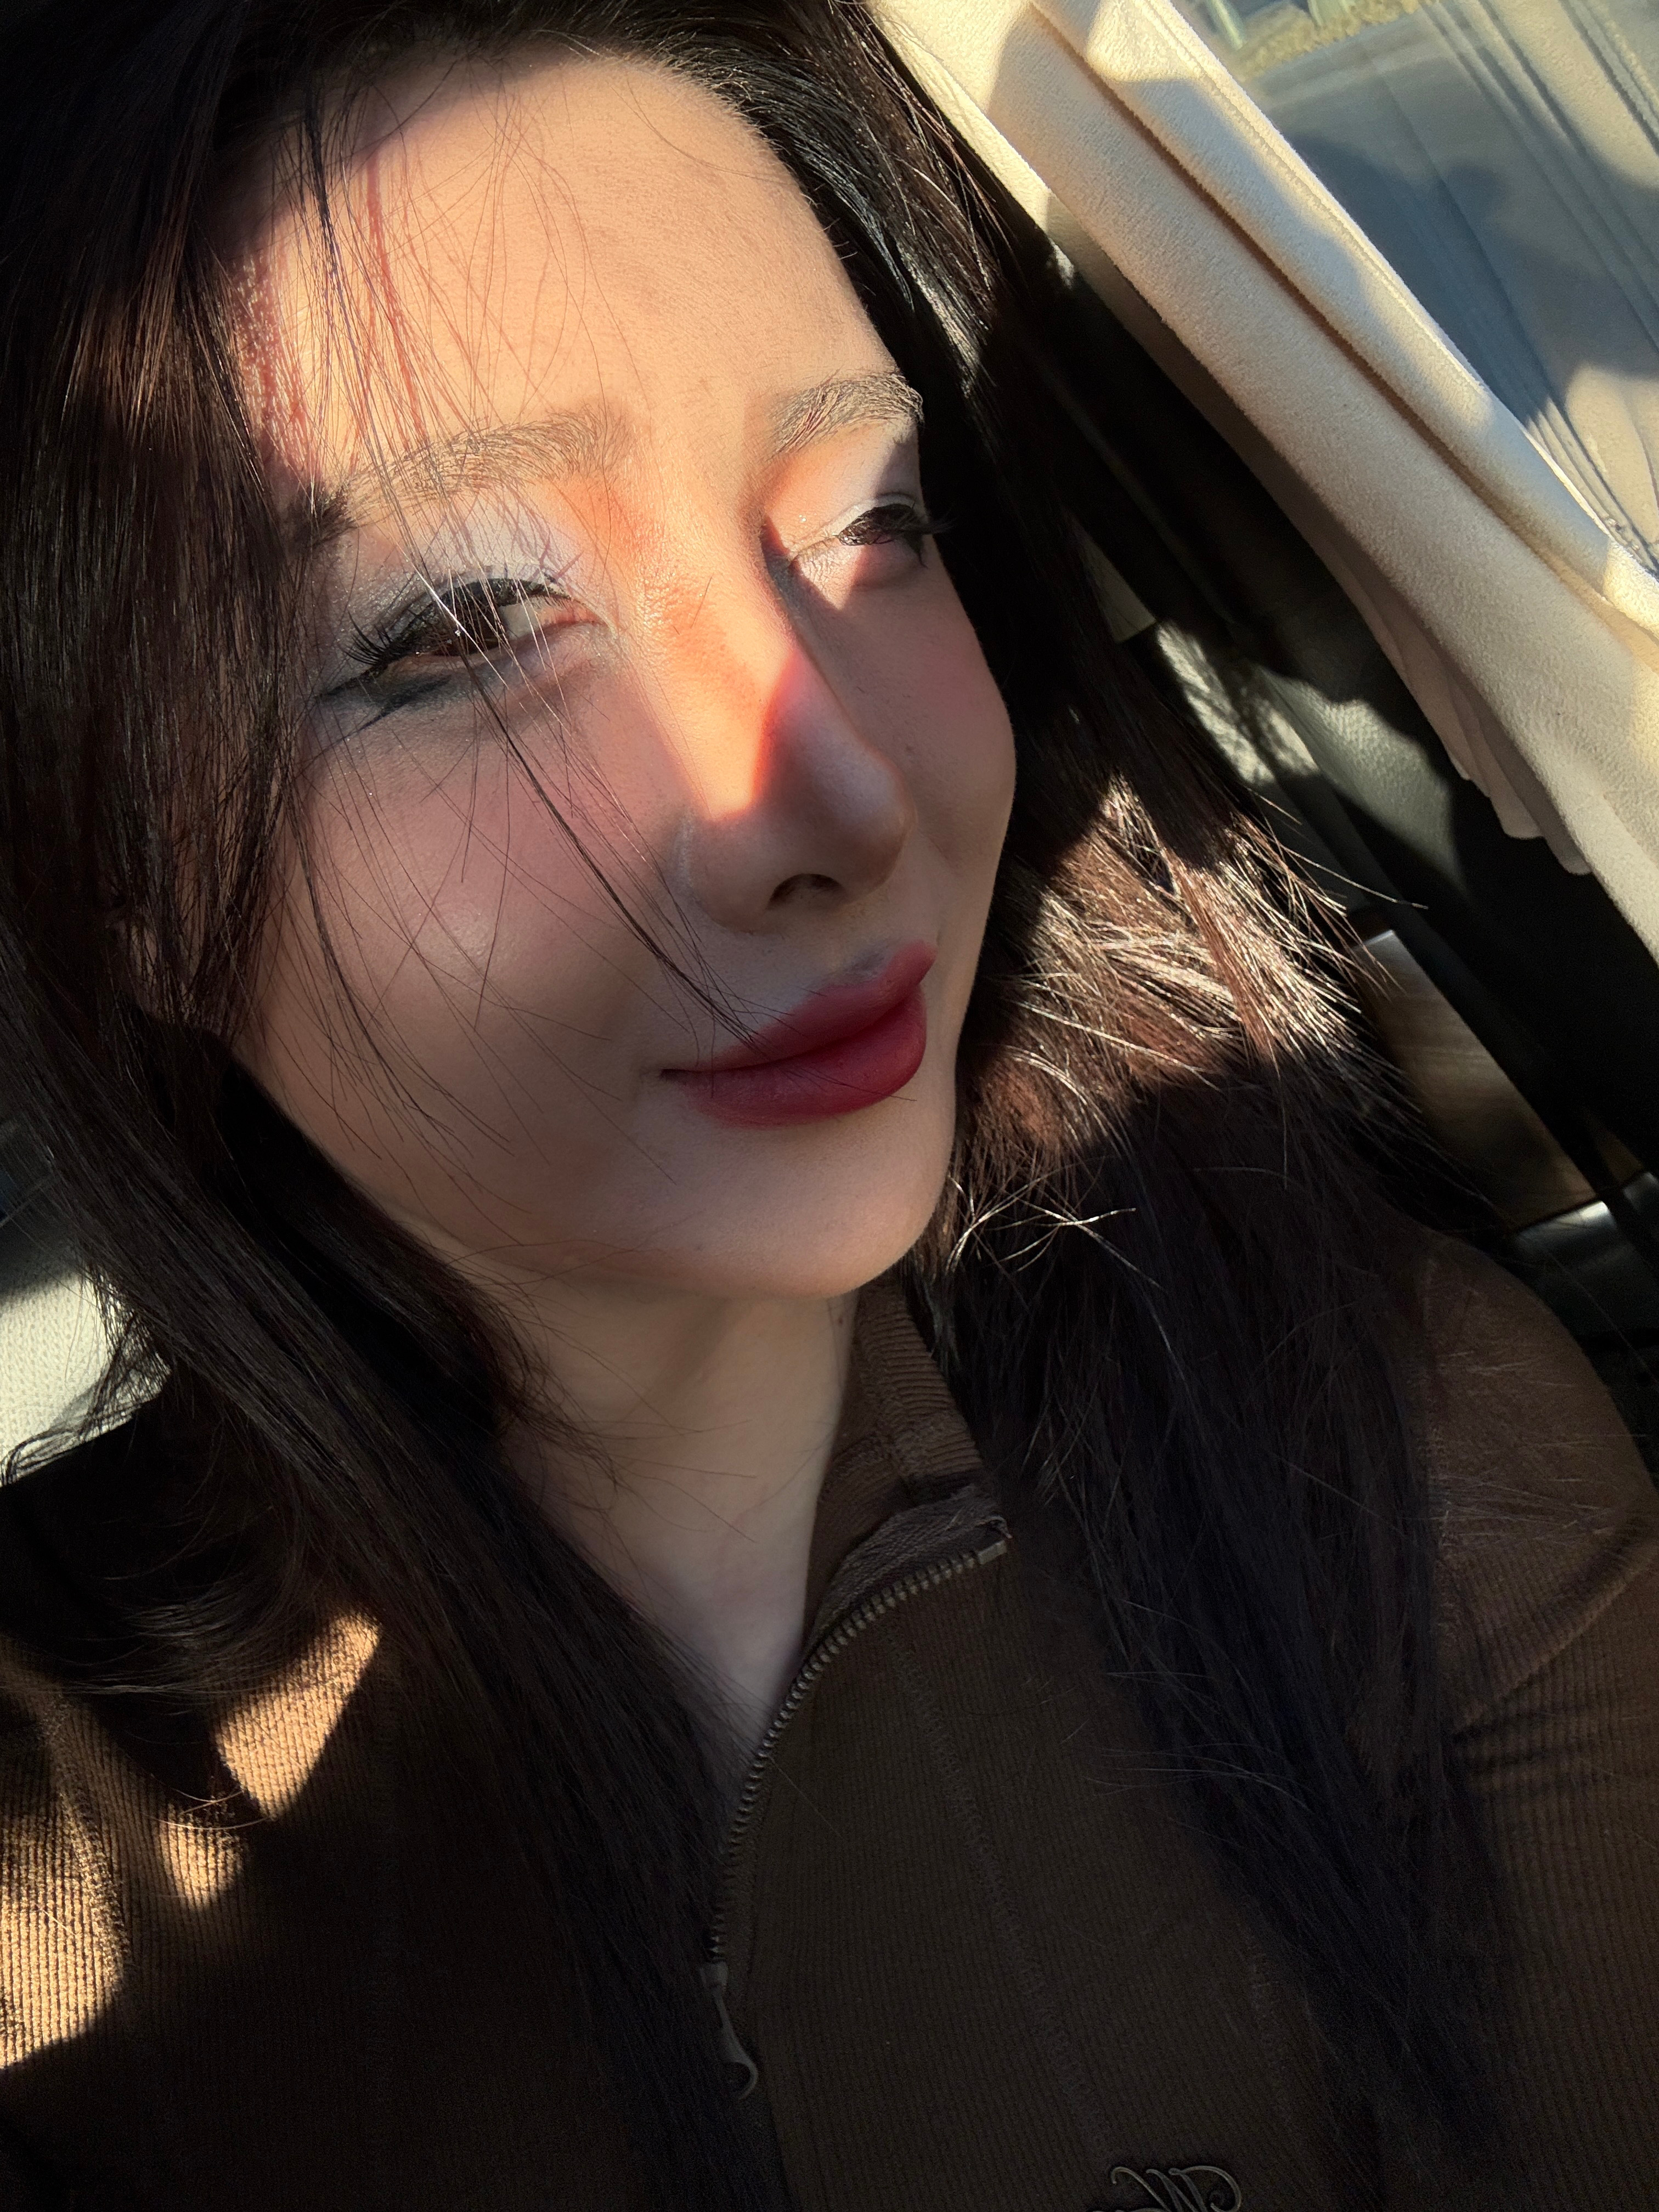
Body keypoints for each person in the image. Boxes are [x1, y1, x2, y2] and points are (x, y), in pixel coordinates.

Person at [0, 3, 1655, 2207]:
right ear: (117, 867)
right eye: (460, 625)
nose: (844, 793)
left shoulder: (1405, 1471)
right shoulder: (57, 1840)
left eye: (875, 521)